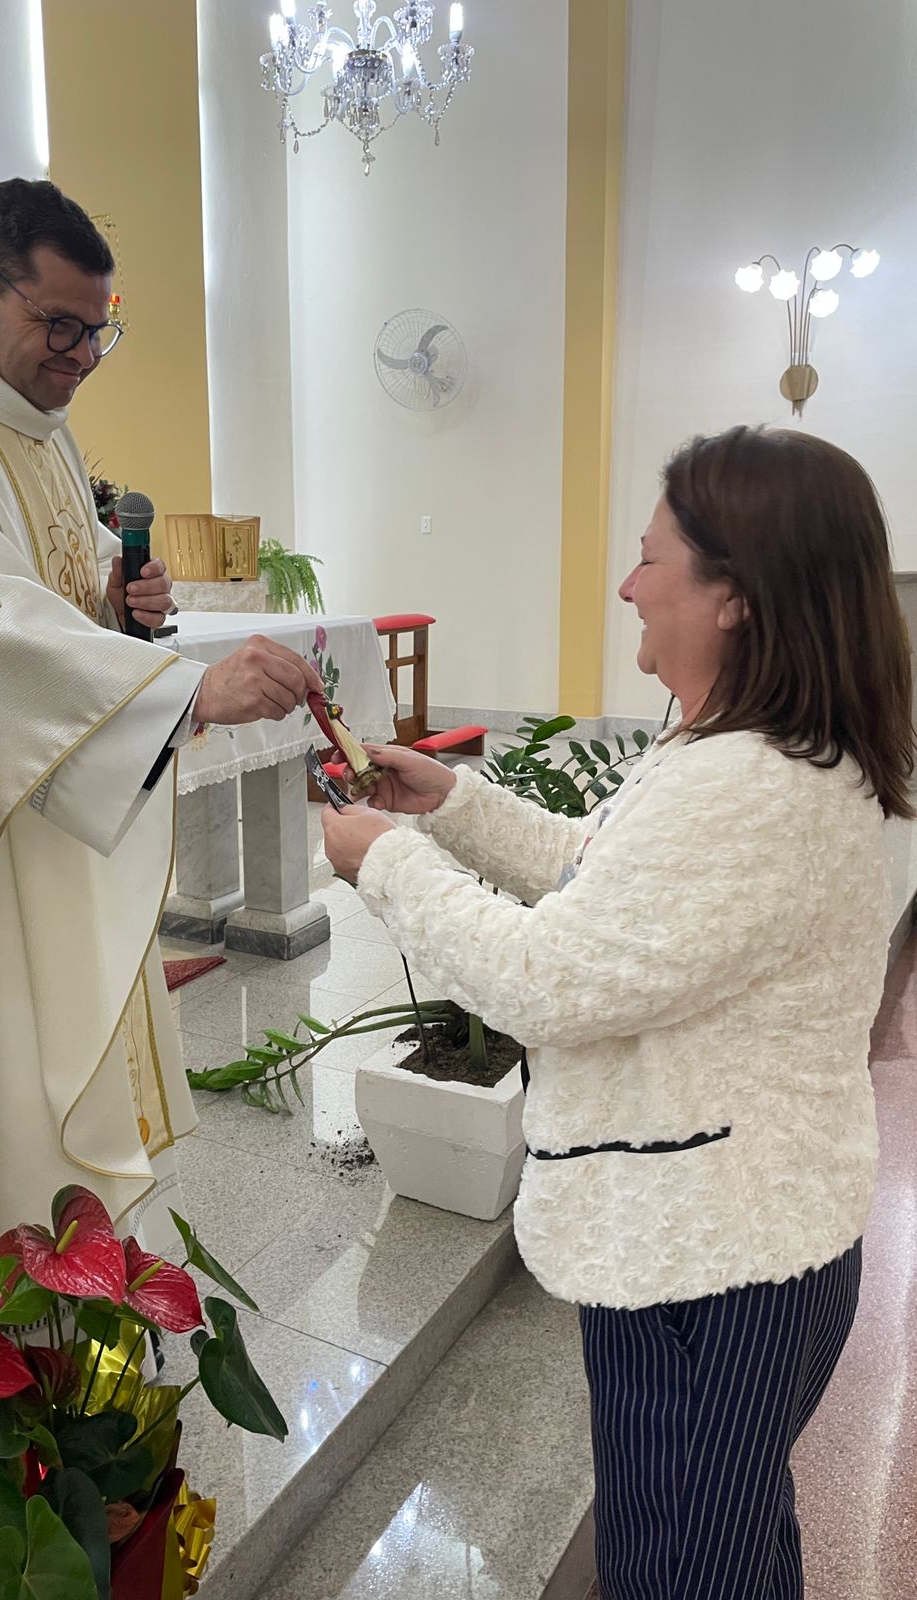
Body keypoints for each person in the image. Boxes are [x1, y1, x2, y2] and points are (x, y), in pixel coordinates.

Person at [322, 425, 914, 1599]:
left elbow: (546, 977)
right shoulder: (755, 748)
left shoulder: (753, 785)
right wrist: (450, 805)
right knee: (728, 1547)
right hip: (740, 1230)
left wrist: (385, 861)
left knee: (684, 1571)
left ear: (735, 594)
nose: (628, 586)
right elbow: (610, 877)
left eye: (651, 559)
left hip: (717, 1262)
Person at [0, 178, 321, 1259]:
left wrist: (119, 605)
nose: (81, 357)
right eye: (61, 326)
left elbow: (50, 594)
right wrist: (185, 690)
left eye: (98, 332)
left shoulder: (35, 427)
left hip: (44, 811)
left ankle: (74, 1292)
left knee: (51, 1093)